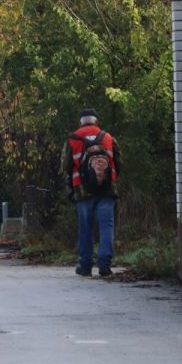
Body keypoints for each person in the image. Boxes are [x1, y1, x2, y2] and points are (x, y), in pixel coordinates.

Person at [61, 109, 121, 277]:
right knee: (106, 227)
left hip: (82, 192)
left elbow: (65, 167)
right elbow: (119, 161)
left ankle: (85, 266)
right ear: (96, 121)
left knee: (86, 228)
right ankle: (105, 266)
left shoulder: (73, 139)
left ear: (81, 121)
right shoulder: (108, 137)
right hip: (107, 191)